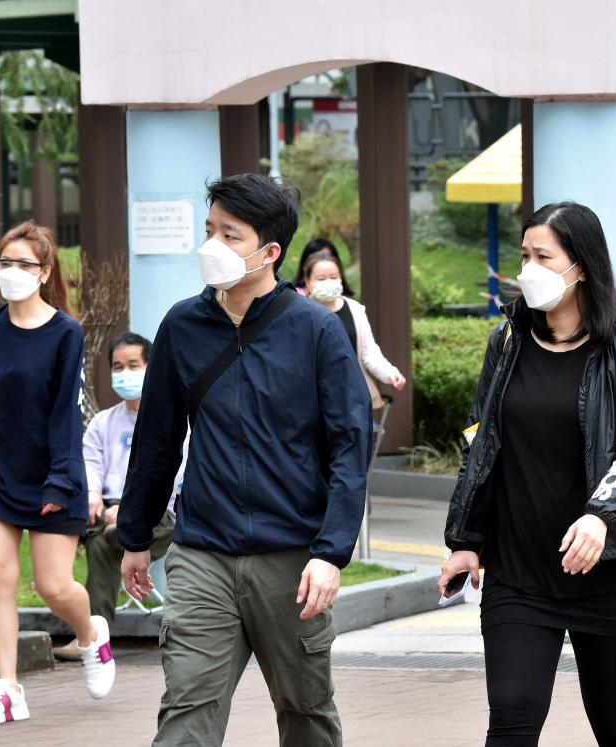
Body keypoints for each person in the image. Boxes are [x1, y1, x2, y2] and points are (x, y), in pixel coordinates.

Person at [117, 173, 372, 746]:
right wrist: (135, 535)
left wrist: (330, 553)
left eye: (230, 235)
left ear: (269, 251)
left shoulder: (315, 330)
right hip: (202, 552)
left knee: (306, 712)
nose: (212, 245)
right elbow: (157, 440)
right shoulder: (182, 326)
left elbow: (349, 448)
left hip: (293, 559)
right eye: (210, 230)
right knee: (186, 710)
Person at [439, 202, 616, 746]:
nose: (528, 269)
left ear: (580, 267)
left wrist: (599, 515)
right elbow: (481, 443)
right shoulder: (507, 341)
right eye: (525, 255)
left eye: (543, 257)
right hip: (518, 569)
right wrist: (466, 540)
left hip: (610, 566)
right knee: (512, 715)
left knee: (613, 715)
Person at [0, 220, 115, 726]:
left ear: (44, 273)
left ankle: (91, 634)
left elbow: (66, 413)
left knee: (54, 587)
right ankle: (8, 690)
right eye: (4, 262)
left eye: (23, 263)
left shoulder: (66, 332)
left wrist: (61, 481)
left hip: (52, 471)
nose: (11, 271)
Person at [52, 331, 187, 662]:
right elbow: (90, 464)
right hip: (107, 512)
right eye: (117, 366)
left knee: (101, 543)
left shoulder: (174, 419)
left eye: (133, 365)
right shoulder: (103, 423)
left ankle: (91, 637)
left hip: (160, 515)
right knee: (93, 532)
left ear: (151, 367)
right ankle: (91, 632)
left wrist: (130, 509)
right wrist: (93, 495)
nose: (124, 373)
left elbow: (177, 474)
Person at [302, 250, 406, 408]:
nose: (328, 282)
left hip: (352, 399)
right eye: (321, 279)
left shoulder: (355, 309)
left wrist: (390, 373)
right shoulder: (300, 313)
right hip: (312, 400)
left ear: (341, 278)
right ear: (308, 282)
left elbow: (369, 352)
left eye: (334, 277)